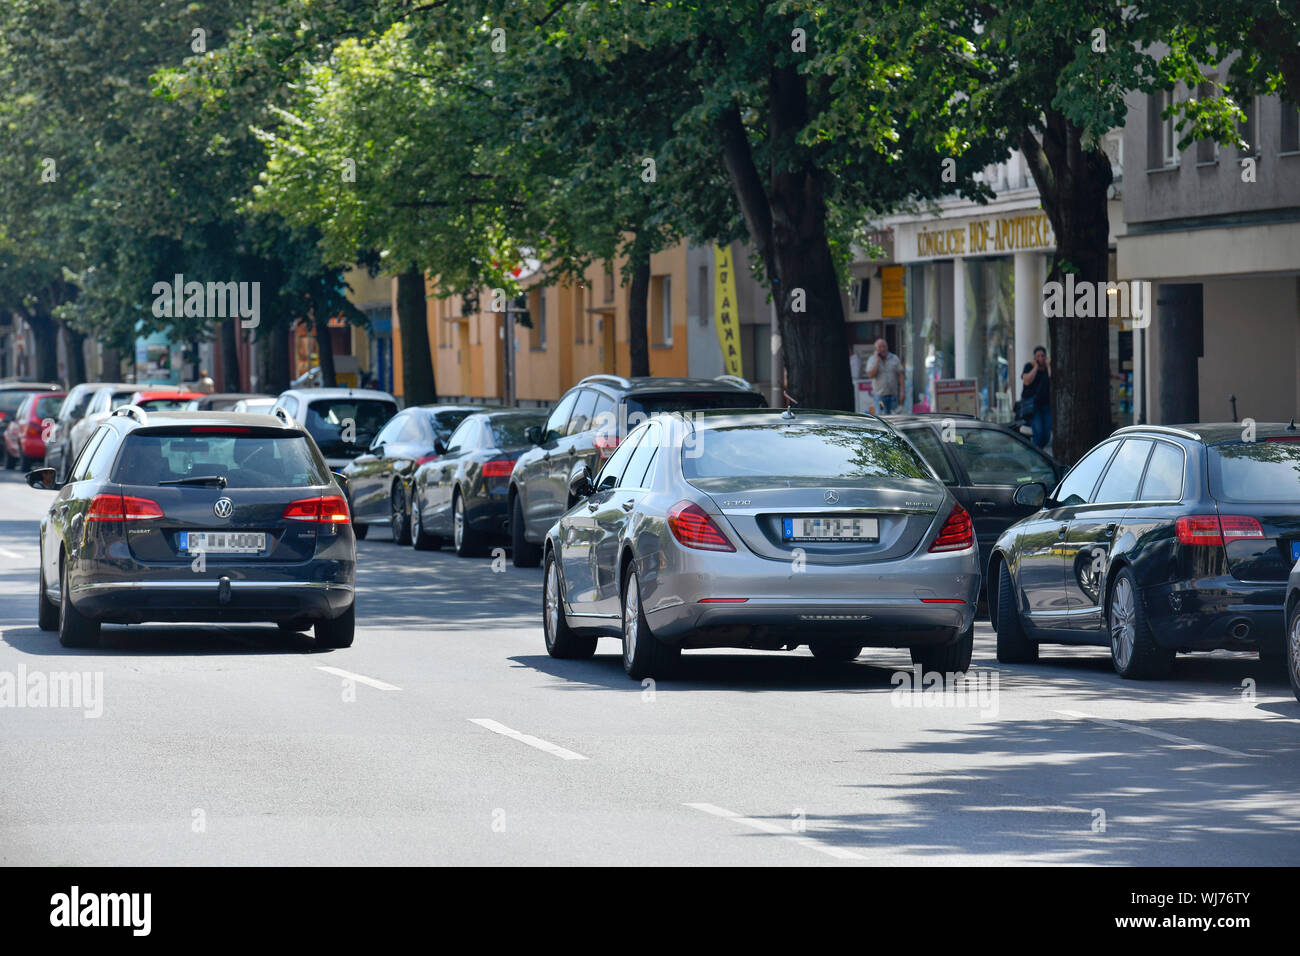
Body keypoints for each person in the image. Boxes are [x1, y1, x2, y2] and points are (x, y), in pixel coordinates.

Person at [1021, 346, 1051, 449]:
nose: (1040, 358)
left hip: (1046, 405)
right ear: (1034, 357)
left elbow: (1053, 381)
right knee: (1038, 432)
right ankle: (1036, 454)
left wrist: (1048, 367)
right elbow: (1027, 381)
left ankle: (1038, 452)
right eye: (1038, 356)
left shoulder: (1048, 368)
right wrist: (1035, 368)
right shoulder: (1029, 366)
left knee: (1047, 434)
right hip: (1034, 407)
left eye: (1042, 356)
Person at [865, 338, 905, 415]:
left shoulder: (894, 358)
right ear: (876, 349)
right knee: (882, 416)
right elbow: (870, 375)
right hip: (880, 397)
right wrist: (877, 361)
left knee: (894, 417)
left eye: (884, 346)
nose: (882, 349)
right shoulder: (872, 360)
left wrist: (902, 391)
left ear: (887, 347)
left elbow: (900, 375)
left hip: (893, 396)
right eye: (880, 347)